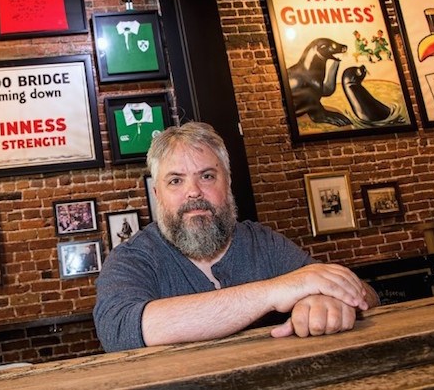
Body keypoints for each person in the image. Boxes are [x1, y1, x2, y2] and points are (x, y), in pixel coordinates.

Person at [93, 122, 379, 352]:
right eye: (176, 180)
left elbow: (366, 295)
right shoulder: (131, 258)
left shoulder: (262, 242)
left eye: (207, 176)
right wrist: (274, 292)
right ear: (157, 194)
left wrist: (328, 303)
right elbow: (119, 331)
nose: (193, 192)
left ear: (227, 184)